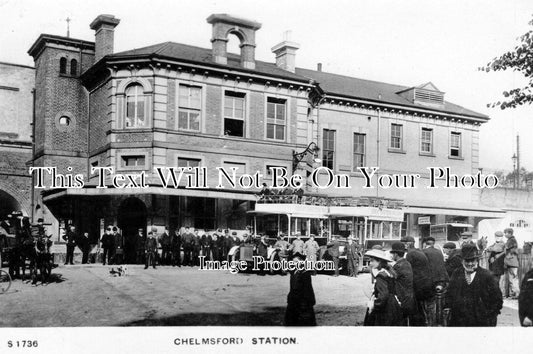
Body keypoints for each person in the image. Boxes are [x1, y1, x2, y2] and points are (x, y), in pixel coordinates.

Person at [445, 243, 503, 326]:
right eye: (467, 261)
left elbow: (497, 300)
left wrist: (490, 316)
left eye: (472, 260)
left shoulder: (488, 276)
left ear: (477, 260)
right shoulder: (456, 273)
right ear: (462, 261)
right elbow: (450, 294)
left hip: (481, 322)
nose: (470, 264)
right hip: (459, 321)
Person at [363, 249, 403, 326]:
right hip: (392, 305)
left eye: (372, 261)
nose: (370, 263)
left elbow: (383, 295)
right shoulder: (388, 272)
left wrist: (374, 305)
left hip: (385, 308)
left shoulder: (381, 276)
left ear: (379, 262)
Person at [402, 236, 433, 326]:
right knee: (422, 308)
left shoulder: (410, 254)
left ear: (408, 244)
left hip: (419, 286)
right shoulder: (419, 251)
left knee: (416, 309)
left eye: (403, 243)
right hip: (426, 284)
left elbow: (408, 271)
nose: (403, 245)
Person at [422, 236, 449, 326]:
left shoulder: (424, 252)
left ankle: (431, 323)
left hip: (430, 280)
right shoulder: (439, 252)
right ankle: (439, 321)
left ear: (425, 244)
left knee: (429, 304)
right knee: (439, 302)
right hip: (441, 280)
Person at [284, 253, 316, 326]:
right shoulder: (293, 272)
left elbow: (308, 288)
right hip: (293, 300)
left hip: (303, 301)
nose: (294, 264)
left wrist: (308, 302)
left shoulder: (305, 273)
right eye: (293, 262)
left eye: (296, 262)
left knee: (304, 322)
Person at [390, 241, 415, 324]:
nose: (391, 256)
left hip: (402, 299)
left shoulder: (398, 266)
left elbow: (391, 278)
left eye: (392, 253)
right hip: (409, 298)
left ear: (396, 254)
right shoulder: (407, 263)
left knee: (400, 321)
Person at [503, 227, 520, 298]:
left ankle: (516, 294)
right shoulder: (512, 240)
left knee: (513, 278)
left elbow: (506, 248)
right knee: (512, 278)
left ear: (510, 233)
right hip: (512, 262)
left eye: (506, 233)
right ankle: (513, 293)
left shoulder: (511, 240)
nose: (505, 234)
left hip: (512, 262)